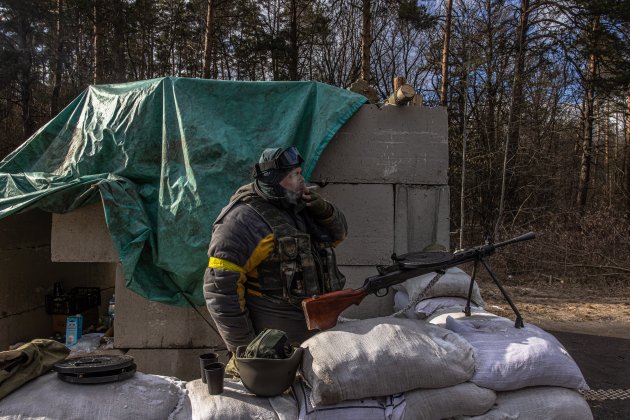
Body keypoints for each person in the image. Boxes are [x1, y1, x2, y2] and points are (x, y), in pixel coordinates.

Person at [203, 146, 348, 353]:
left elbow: (339, 234)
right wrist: (245, 351)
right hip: (276, 350)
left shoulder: (300, 206)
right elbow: (220, 290)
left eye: (299, 173)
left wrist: (324, 210)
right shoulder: (243, 220)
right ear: (273, 180)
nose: (300, 180)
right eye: (292, 175)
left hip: (319, 340)